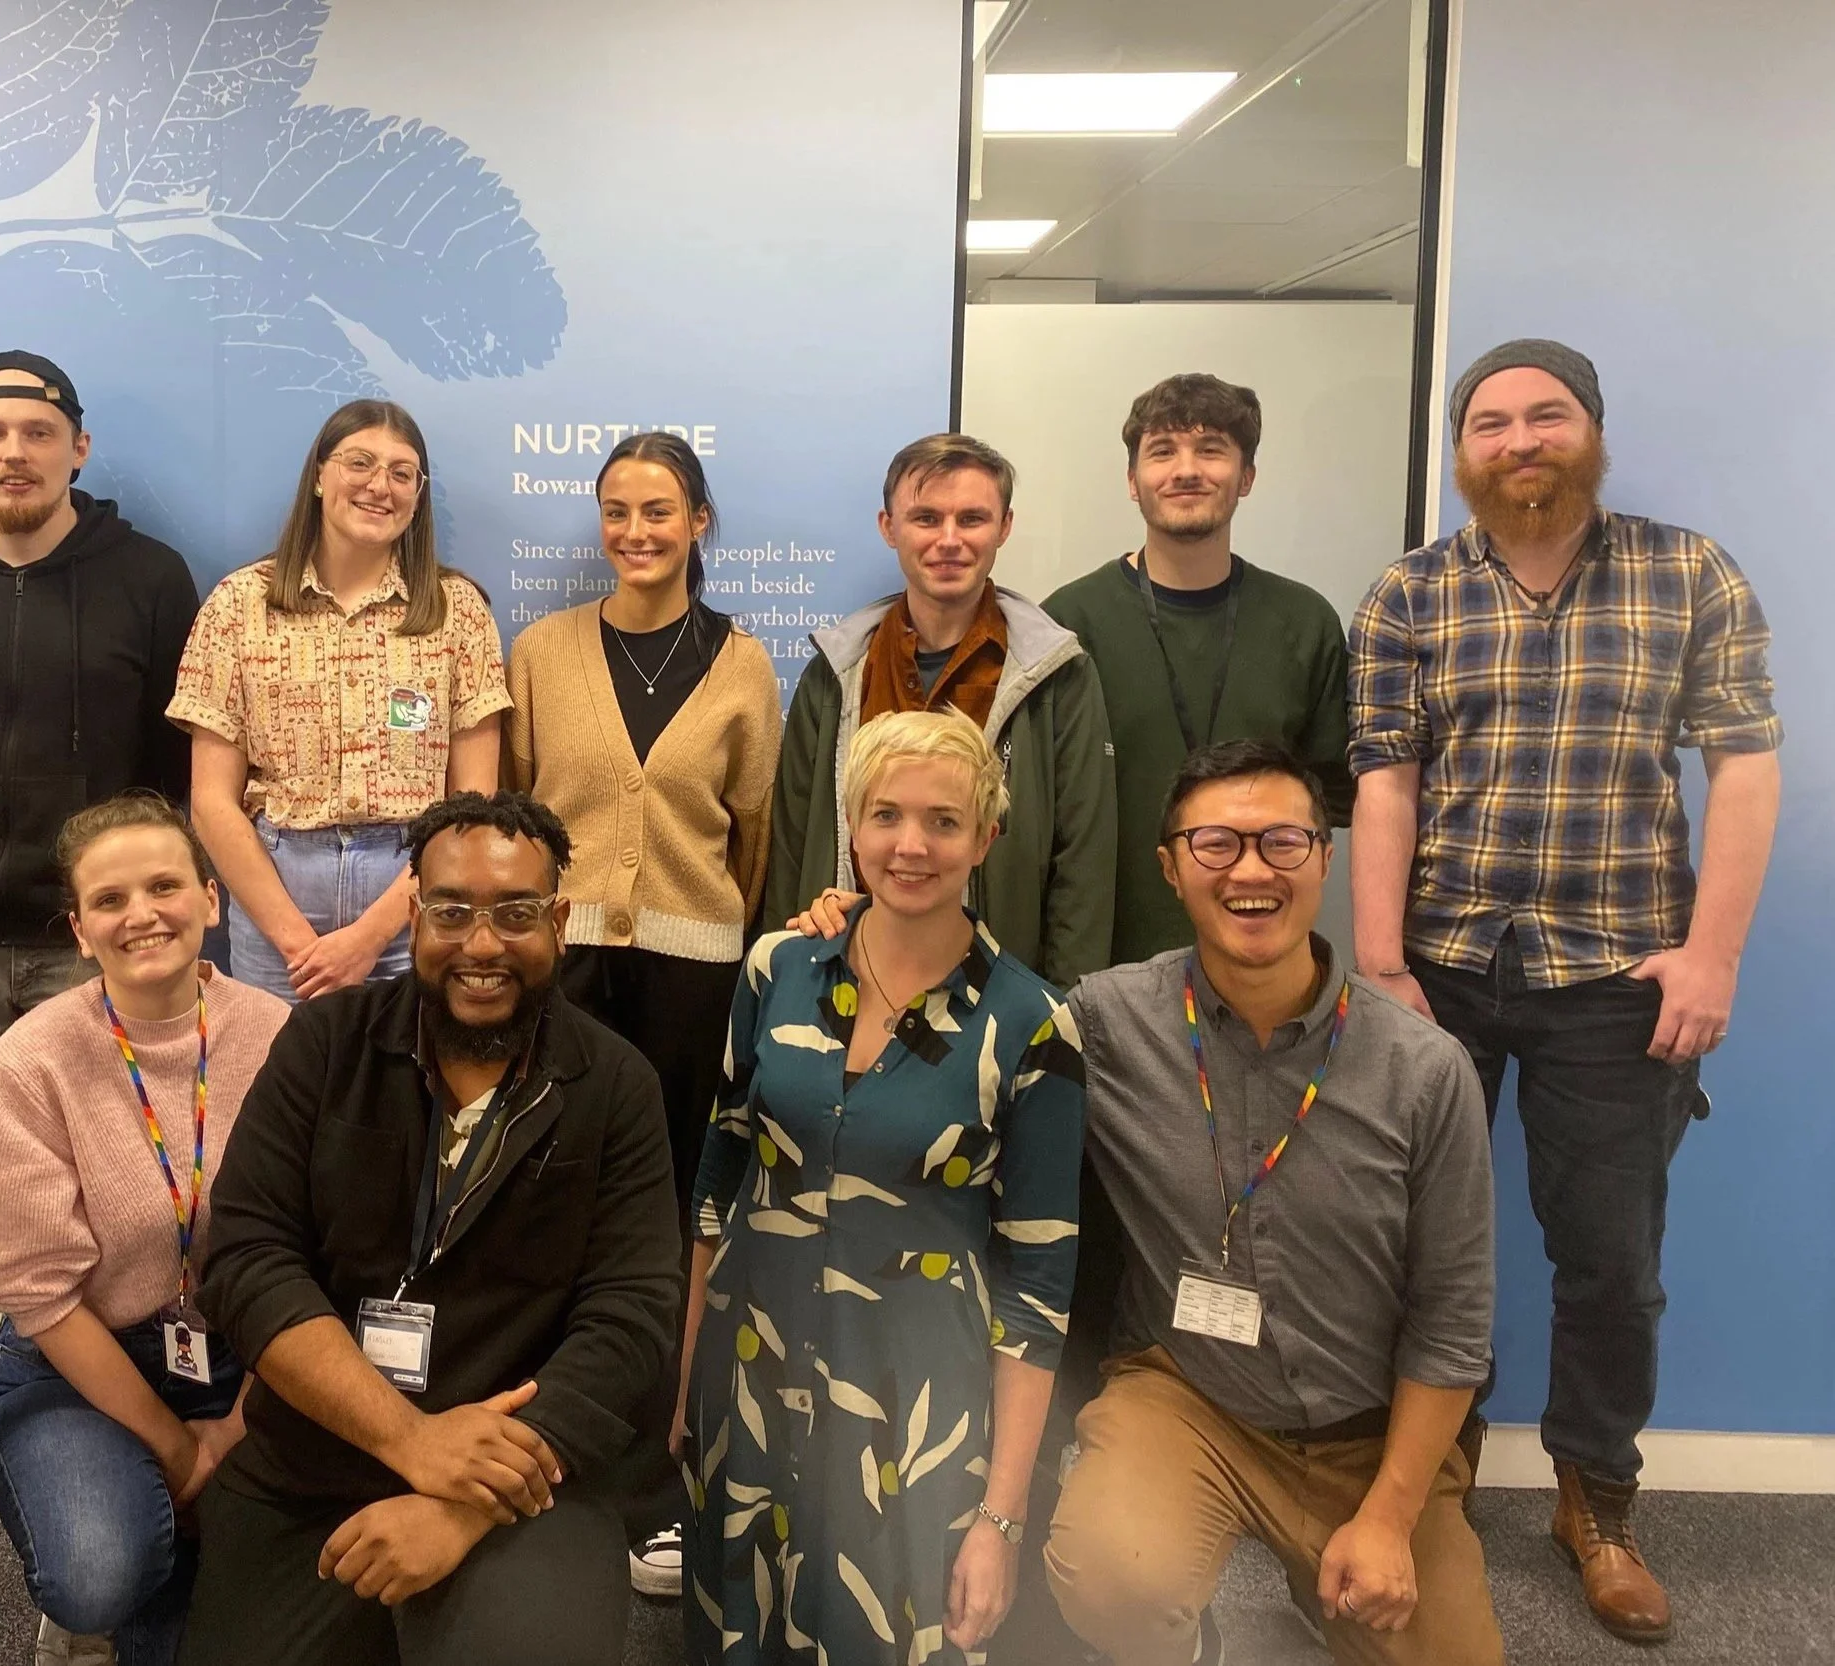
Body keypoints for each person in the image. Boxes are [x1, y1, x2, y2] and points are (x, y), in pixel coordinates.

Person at [1350, 339, 1781, 1645]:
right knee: (1419, 1248)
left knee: (1609, 1262)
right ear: (1462, 449)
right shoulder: (1411, 592)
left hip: (1619, 976)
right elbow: (1385, 783)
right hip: (1442, 971)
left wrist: (1713, 954)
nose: (1520, 439)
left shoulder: (1687, 573)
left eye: (1546, 415)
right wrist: (1379, 963)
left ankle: (1597, 1502)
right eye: (1490, 421)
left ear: (1589, 432)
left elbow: (1745, 766)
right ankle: (1429, 1484)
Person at [178, 791, 680, 1666]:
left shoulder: (616, 1085)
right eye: (451, 912)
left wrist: (465, 1501)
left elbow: (630, 1319)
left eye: (516, 914)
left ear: (560, 923)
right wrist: (409, 1441)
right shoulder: (322, 1046)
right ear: (413, 918)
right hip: (318, 1460)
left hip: (527, 1481)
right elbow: (249, 1262)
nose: (482, 945)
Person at [1043, 740, 1502, 1666]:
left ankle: (1324, 1577)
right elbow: (964, 1010)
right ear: (1171, 868)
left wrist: (1390, 1515)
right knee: (1112, 1578)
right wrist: (848, 932)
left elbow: (1455, 1322)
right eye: (1216, 844)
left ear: (1325, 858)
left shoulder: (1425, 1070)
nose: (1251, 871)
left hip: (1367, 1437)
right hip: (1189, 1398)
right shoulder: (1105, 1021)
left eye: (1283, 842)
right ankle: (1191, 1634)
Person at [680, 708, 1084, 1662]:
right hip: (751, 1370)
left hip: (913, 1404)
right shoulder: (777, 968)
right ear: (851, 829)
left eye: (944, 822)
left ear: (986, 838)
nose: (911, 845)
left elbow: (1039, 1289)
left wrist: (1002, 1518)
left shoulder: (1031, 1024)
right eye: (886, 815)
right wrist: (686, 1376)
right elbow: (718, 1178)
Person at [0, 349, 201, 1382]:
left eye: (39, 432)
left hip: (93, 941)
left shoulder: (150, 578)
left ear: (78, 448)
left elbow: (165, 772)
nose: (16, 452)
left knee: (109, 1164)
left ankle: (96, 1379)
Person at [504, 431, 783, 1601]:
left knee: (670, 1219)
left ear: (698, 522)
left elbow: (753, 835)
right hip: (562, 965)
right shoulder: (542, 652)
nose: (635, 531)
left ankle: (652, 1473)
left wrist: (706, 930)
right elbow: (517, 814)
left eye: (658, 510)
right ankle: (541, 1447)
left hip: (690, 973)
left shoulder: (744, 664)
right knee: (551, 1195)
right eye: (616, 510)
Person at [0, 793, 290, 1665]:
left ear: (211, 899)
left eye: (164, 886)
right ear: (80, 932)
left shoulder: (282, 1037)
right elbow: (43, 1299)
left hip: (254, 1352)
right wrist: (179, 1452)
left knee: (298, 1575)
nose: (141, 914)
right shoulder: (33, 1061)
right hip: (79, 1358)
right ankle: (87, 1551)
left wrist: (234, 1432)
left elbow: (317, 1249)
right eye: (109, 900)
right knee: (98, 1567)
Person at [173, 399, 509, 1006]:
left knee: (411, 1064)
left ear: (418, 495)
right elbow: (211, 802)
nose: (380, 486)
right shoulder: (238, 606)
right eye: (360, 463)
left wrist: (369, 938)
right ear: (319, 475)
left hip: (415, 896)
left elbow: (474, 802)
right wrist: (294, 940)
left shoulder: (457, 612)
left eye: (402, 473)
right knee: (281, 1064)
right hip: (275, 895)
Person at [763, 433, 1115, 986]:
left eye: (971, 519)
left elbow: (1083, 864)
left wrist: (1065, 1008)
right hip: (846, 982)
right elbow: (790, 849)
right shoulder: (836, 673)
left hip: (998, 996)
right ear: (889, 527)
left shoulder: (1058, 677)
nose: (949, 540)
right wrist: (788, 976)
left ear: (1004, 527)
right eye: (926, 518)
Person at [1043, 374, 1355, 964]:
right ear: (1132, 481)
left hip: (1259, 957)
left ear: (1247, 476)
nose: (1186, 470)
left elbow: (1327, 805)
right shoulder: (1067, 623)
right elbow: (1044, 816)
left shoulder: (1304, 622)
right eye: (1162, 451)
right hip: (1103, 959)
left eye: (1211, 449)